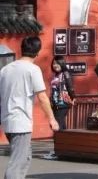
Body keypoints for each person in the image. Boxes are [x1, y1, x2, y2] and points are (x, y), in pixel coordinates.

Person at [0, 37, 59, 179]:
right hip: (21, 122)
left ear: (22, 49)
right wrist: (52, 119)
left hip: (7, 120)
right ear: (38, 52)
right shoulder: (32, 69)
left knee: (25, 157)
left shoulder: (5, 70)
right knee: (18, 163)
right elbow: (42, 97)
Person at [42, 55, 77, 160]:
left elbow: (70, 87)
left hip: (63, 103)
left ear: (62, 63)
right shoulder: (57, 74)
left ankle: (58, 151)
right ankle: (63, 149)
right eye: (54, 63)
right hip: (56, 103)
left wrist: (73, 98)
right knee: (61, 126)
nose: (55, 65)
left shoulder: (65, 73)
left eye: (57, 63)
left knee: (57, 126)